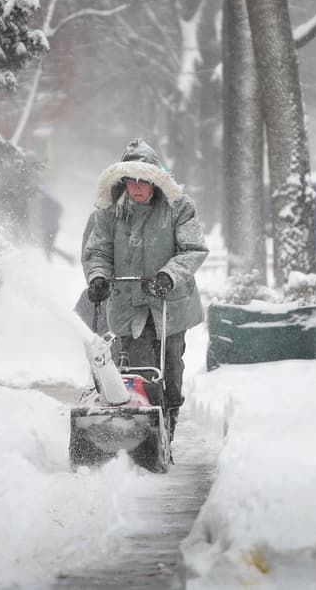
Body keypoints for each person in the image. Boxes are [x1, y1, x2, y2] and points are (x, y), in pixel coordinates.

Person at [82, 138, 208, 434]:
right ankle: (147, 433)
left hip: (171, 306)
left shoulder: (179, 207)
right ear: (122, 180)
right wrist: (98, 277)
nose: (137, 187)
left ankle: (171, 420)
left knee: (171, 372)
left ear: (155, 180)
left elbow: (192, 249)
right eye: (130, 181)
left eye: (143, 181)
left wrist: (167, 276)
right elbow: (98, 252)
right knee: (140, 373)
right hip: (129, 307)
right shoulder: (108, 212)